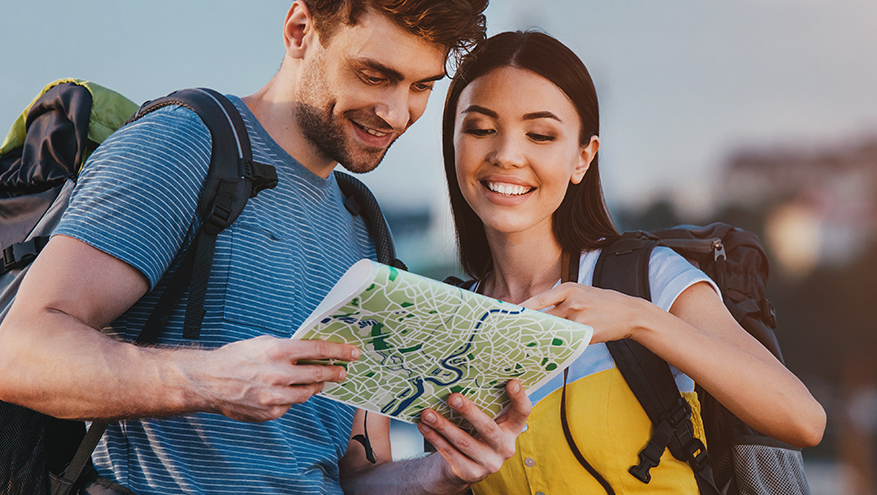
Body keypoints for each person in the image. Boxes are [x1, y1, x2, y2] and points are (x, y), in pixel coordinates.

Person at [0, 2, 532, 494]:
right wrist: (212, 381)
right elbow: (18, 354)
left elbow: (351, 473)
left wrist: (442, 471)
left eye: (421, 86)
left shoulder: (364, 225)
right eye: (375, 75)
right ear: (301, 30)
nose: (396, 113)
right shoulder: (183, 143)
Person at [436, 30, 827, 494]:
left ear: (583, 158)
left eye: (540, 134)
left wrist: (639, 319)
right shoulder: (451, 324)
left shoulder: (649, 278)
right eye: (480, 129)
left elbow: (804, 421)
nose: (506, 155)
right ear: (454, 143)